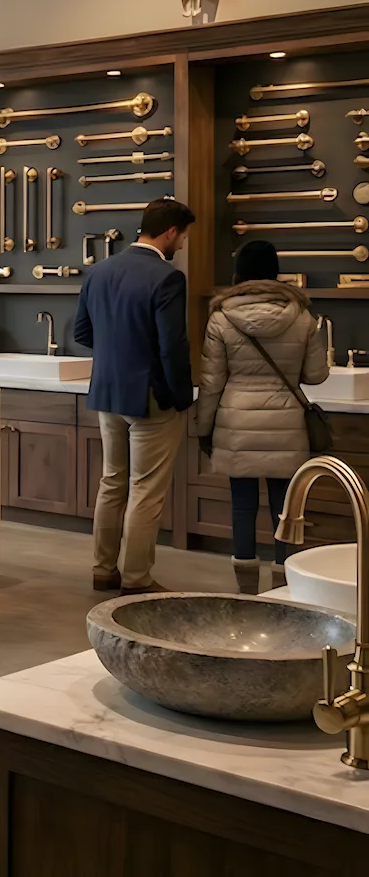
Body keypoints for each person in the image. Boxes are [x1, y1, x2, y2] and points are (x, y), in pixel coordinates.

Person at [73, 198, 197, 596]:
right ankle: (137, 579)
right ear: (171, 232)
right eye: (183, 237)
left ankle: (102, 569)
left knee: (112, 482)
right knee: (145, 489)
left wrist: (115, 350)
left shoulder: (99, 272)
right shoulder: (167, 277)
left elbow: (82, 333)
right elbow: (172, 347)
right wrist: (182, 398)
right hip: (151, 398)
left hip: (107, 391)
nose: (182, 245)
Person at [195, 240, 327, 594]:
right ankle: (284, 583)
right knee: (285, 507)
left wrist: (203, 429)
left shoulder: (220, 318)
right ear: (275, 272)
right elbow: (316, 375)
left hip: (236, 423)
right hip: (287, 423)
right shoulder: (302, 316)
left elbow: (211, 383)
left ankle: (246, 589)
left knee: (242, 503)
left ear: (239, 273)